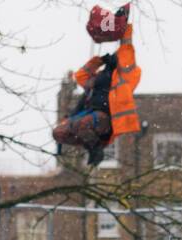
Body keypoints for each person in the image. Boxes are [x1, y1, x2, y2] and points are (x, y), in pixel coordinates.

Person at [52, 16, 141, 166]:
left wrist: (125, 26)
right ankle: (90, 145)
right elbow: (80, 75)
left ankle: (95, 149)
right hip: (89, 114)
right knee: (58, 132)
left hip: (105, 117)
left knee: (84, 124)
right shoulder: (98, 76)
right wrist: (99, 61)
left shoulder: (123, 77)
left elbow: (126, 49)